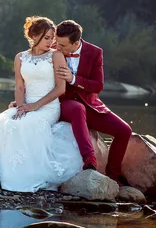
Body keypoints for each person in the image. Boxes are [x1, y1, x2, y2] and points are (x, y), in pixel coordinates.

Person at [0, 16, 83, 192]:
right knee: (7, 122)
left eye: (52, 38)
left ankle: (25, 177)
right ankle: (5, 173)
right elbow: (19, 85)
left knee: (26, 125)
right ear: (34, 36)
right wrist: (22, 105)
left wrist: (35, 106)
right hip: (27, 104)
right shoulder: (20, 57)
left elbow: (60, 89)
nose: (50, 42)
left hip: (47, 107)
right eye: (46, 38)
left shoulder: (56, 56)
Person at [53, 20, 132, 185]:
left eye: (62, 45)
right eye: (56, 42)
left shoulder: (95, 52)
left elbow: (98, 86)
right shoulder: (52, 50)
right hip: (61, 103)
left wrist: (73, 79)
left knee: (124, 130)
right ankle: (89, 159)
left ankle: (112, 176)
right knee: (77, 108)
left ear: (76, 43)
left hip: (89, 104)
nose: (57, 47)